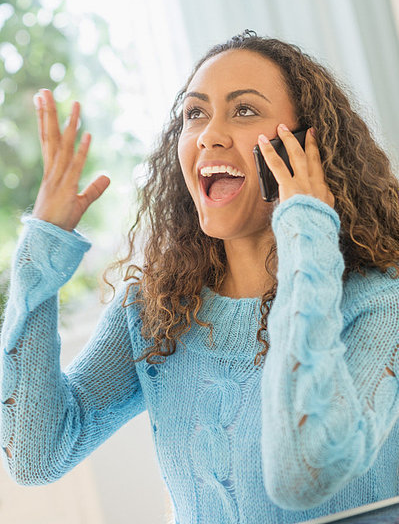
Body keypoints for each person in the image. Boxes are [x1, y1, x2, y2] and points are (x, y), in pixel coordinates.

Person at [1, 29, 399, 524]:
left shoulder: (381, 305)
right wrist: (43, 248)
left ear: (307, 148)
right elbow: (35, 453)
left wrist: (307, 230)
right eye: (195, 113)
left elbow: (303, 472)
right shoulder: (155, 311)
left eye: (245, 110)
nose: (210, 134)